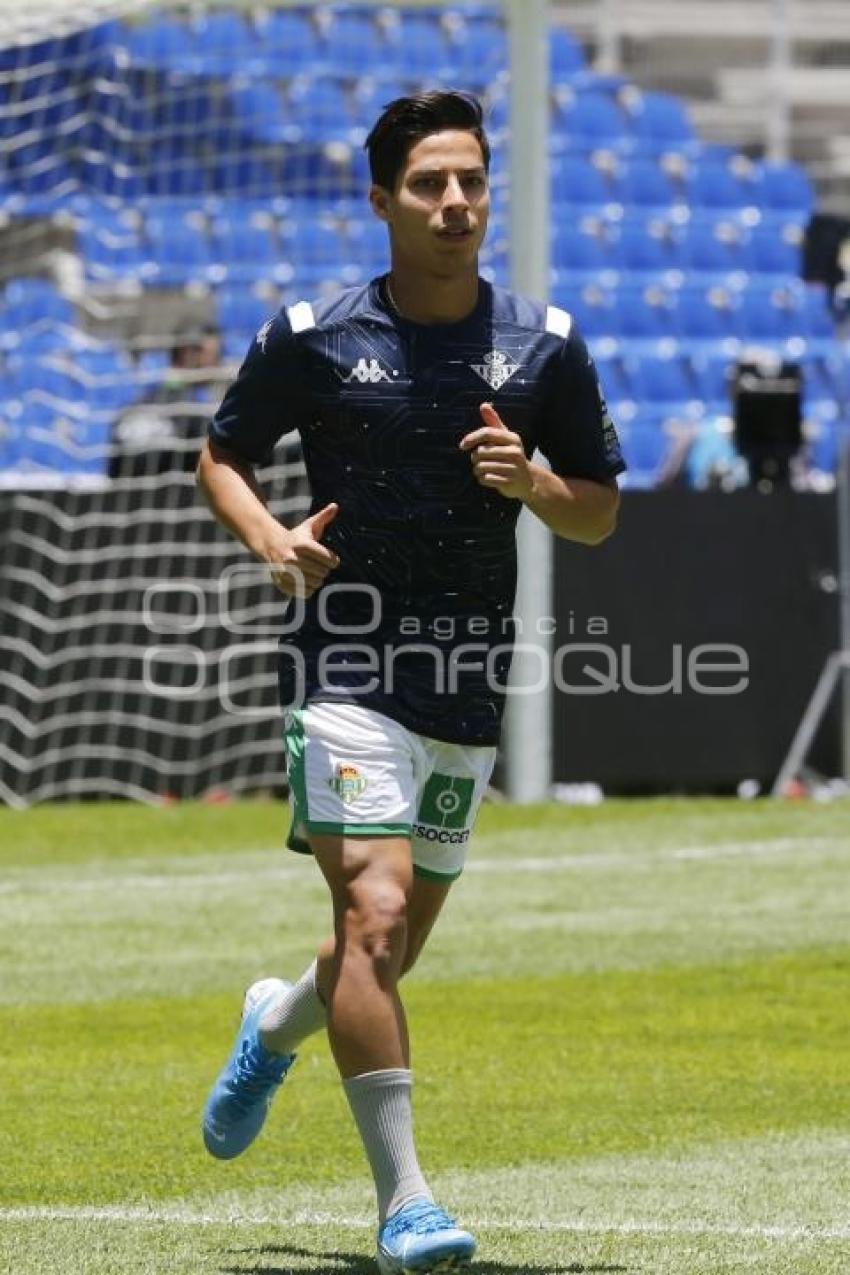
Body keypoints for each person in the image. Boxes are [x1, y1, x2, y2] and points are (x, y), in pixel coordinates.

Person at [196, 91, 624, 1274]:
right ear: (382, 197)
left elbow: (597, 513)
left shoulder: (547, 341)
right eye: (431, 183)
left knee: (378, 949)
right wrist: (273, 543)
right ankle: (407, 1206)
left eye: (471, 182)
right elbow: (220, 455)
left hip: (467, 683)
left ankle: (273, 1024)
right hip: (346, 666)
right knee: (372, 915)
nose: (455, 204)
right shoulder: (314, 332)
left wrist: (534, 483)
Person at [110, 324, 224, 478]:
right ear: (187, 352)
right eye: (215, 356)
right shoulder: (192, 411)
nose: (217, 364)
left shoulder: (135, 404)